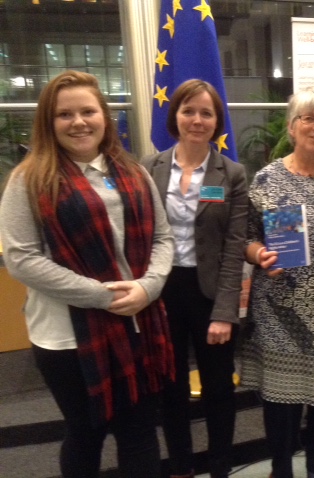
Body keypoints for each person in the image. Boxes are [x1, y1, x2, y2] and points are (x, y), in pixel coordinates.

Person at [0, 70, 175, 477]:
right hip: (66, 339)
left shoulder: (133, 172)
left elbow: (164, 239)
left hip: (137, 324)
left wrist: (148, 288)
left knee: (139, 433)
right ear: (49, 122)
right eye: (65, 114)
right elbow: (22, 259)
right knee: (86, 434)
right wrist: (103, 295)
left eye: (87, 111)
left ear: (104, 117)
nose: (78, 122)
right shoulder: (28, 180)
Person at [240, 86, 314, 478]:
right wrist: (259, 255)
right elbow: (245, 237)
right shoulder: (266, 179)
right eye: (308, 118)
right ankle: (281, 469)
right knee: (281, 403)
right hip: (279, 311)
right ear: (292, 126)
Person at [142, 79, 248, 478]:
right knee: (171, 391)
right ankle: (182, 469)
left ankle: (221, 468)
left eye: (206, 113)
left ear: (216, 120)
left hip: (210, 295)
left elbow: (235, 246)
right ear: (176, 116)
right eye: (189, 111)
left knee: (219, 390)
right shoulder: (149, 169)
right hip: (162, 292)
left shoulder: (230, 173)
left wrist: (225, 312)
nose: (197, 120)